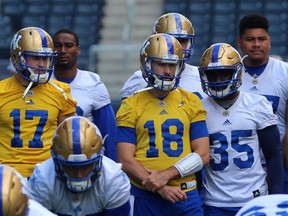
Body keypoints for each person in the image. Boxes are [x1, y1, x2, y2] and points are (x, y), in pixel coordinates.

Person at [116, 33, 210, 216]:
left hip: (185, 194)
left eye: (172, 65)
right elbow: (125, 159)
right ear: (147, 64)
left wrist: (166, 175)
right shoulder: (131, 104)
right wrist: (159, 187)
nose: (168, 71)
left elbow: (203, 154)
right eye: (162, 64)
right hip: (145, 196)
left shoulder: (190, 100)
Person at [198, 43, 283, 216]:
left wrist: (275, 198)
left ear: (237, 73)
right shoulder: (198, 109)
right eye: (213, 75)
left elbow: (273, 154)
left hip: (254, 200)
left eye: (225, 73)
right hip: (214, 201)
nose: (219, 80)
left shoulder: (257, 104)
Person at [0, 27, 77, 177]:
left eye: (45, 58)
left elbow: (70, 140)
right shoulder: (2, 91)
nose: (42, 64)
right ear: (18, 57)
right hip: (6, 174)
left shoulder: (60, 91)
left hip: (47, 174)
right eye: (36, 57)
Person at [28, 116, 131, 216]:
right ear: (57, 163)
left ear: (99, 160)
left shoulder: (114, 181)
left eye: (85, 167)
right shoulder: (42, 181)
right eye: (71, 167)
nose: (79, 175)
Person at [237, 13, 288, 193]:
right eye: (250, 39)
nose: (257, 44)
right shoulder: (229, 74)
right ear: (239, 42)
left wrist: (277, 166)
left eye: (262, 39)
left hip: (280, 164)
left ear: (269, 41)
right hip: (240, 168)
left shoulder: (285, 73)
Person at [51, 29, 117, 162]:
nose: (63, 50)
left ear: (78, 49)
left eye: (69, 45)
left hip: (85, 163)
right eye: (57, 46)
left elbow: (107, 132)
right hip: (48, 160)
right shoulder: (41, 83)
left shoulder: (93, 84)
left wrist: (112, 167)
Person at [120, 12, 206, 100]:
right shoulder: (138, 80)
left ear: (189, 43)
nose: (176, 45)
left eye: (182, 40)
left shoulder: (202, 77)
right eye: (169, 40)